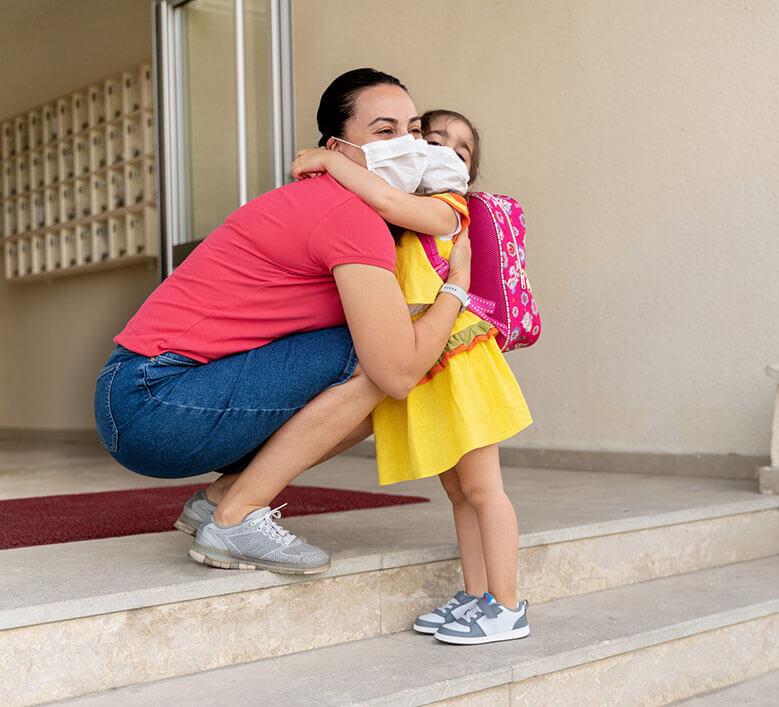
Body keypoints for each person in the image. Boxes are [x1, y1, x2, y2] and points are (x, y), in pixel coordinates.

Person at [93, 68, 471, 576]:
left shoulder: (346, 207)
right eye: (384, 131)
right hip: (155, 399)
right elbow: (398, 371)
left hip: (148, 395)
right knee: (383, 358)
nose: (406, 145)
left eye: (413, 130)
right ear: (337, 149)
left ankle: (224, 498)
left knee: (383, 355)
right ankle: (236, 519)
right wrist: (457, 289)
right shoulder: (347, 214)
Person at [289, 110, 531, 644]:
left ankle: (508, 606)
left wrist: (329, 157)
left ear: (467, 172)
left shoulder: (448, 207)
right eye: (431, 137)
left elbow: (384, 196)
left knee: (484, 489)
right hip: (430, 361)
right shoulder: (401, 221)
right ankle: (477, 595)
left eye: (460, 149)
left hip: (461, 361)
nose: (442, 149)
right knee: (459, 490)